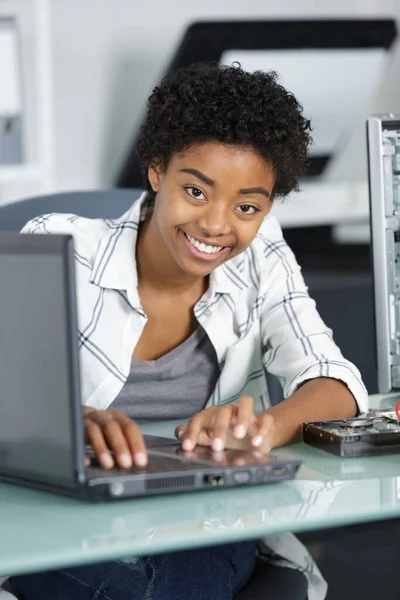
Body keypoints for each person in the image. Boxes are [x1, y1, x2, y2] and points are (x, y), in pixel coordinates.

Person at [10, 62, 368, 600]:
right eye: (197, 192)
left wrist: (261, 430)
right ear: (157, 170)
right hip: (73, 520)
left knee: (189, 561)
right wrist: (70, 423)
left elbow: (335, 382)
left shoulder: (263, 258)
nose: (217, 224)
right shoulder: (62, 246)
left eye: (247, 205)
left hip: (206, 515)